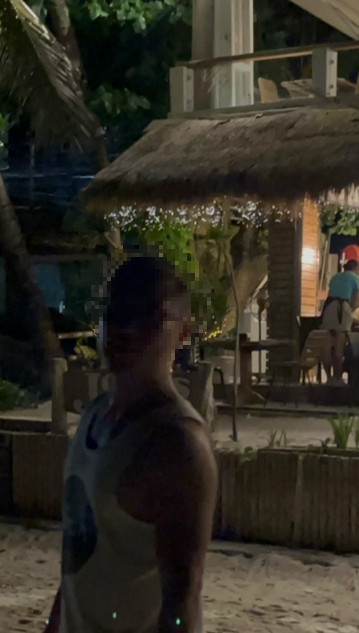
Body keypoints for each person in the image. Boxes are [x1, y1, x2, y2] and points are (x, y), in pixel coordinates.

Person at [46, 256, 217, 633]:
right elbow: (78, 566)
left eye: (147, 315)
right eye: (115, 311)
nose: (124, 327)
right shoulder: (94, 416)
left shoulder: (177, 445)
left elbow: (182, 598)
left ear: (183, 331)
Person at [320, 259, 359, 385]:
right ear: (356, 268)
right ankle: (337, 378)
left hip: (329, 308)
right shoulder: (356, 279)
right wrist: (350, 312)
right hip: (343, 308)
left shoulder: (335, 277)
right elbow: (355, 301)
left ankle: (328, 378)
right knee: (340, 345)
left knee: (327, 345)